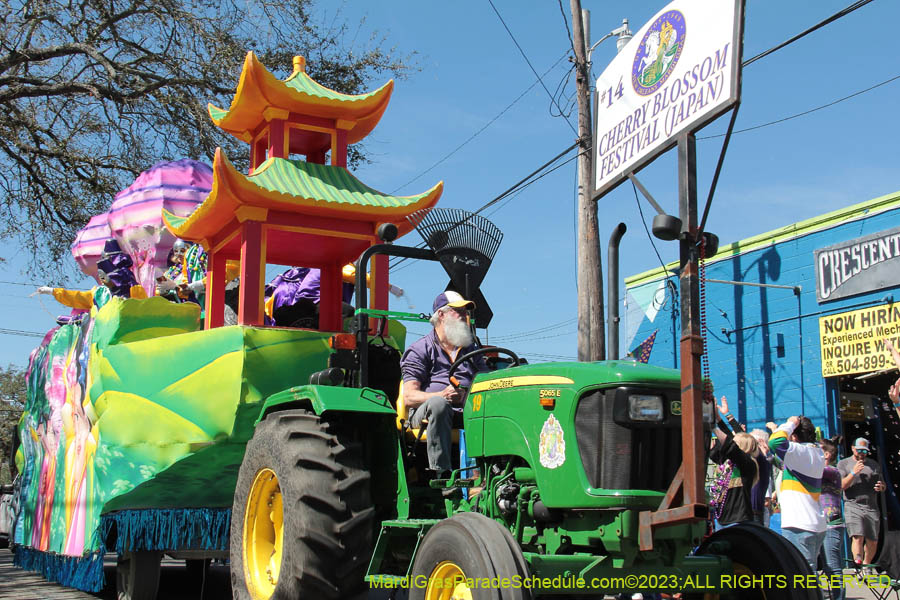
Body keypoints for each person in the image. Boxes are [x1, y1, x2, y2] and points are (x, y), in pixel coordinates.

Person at [400, 291, 486, 477]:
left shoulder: (472, 350)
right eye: (459, 312)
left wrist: (468, 395)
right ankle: (443, 474)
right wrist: (441, 395)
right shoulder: (420, 349)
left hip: (466, 410)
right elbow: (409, 397)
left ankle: (491, 475)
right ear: (441, 315)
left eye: (466, 312)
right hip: (429, 412)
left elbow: (487, 382)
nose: (465, 316)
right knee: (439, 405)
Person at [767, 416, 826, 572]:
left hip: (799, 525)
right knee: (809, 574)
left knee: (801, 577)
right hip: (815, 524)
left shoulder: (800, 451)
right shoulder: (817, 452)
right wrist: (776, 429)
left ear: (794, 435)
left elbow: (775, 442)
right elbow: (782, 456)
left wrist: (791, 423)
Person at [838, 437, 885, 574]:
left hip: (871, 506)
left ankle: (866, 565)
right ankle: (858, 564)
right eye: (859, 450)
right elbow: (841, 485)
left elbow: (882, 484)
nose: (862, 453)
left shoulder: (873, 464)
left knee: (872, 540)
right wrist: (854, 472)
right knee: (857, 536)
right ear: (853, 449)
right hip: (852, 504)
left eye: (865, 451)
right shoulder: (844, 464)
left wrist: (881, 487)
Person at [819, 437, 845, 600]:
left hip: (831, 526)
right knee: (826, 568)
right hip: (820, 525)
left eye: (819, 450)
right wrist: (770, 457)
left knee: (833, 569)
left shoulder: (833, 471)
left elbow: (810, 469)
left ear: (827, 454)